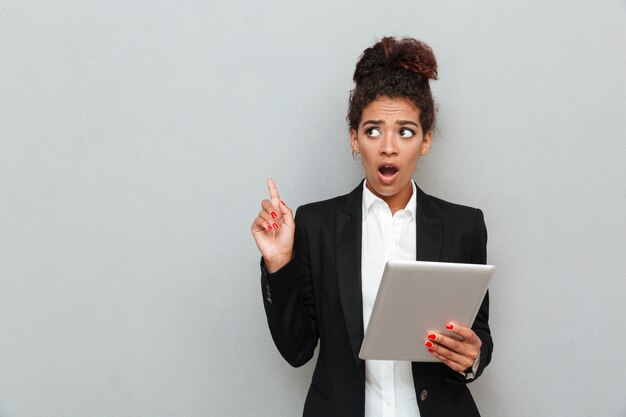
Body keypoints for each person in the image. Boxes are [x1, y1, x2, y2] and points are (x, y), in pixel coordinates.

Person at [251, 36, 492, 417]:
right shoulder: (316, 224)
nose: (389, 147)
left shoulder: (463, 225)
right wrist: (280, 264)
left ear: (426, 140)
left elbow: (477, 335)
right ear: (354, 139)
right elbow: (297, 350)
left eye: (406, 132)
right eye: (373, 130)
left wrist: (472, 357)